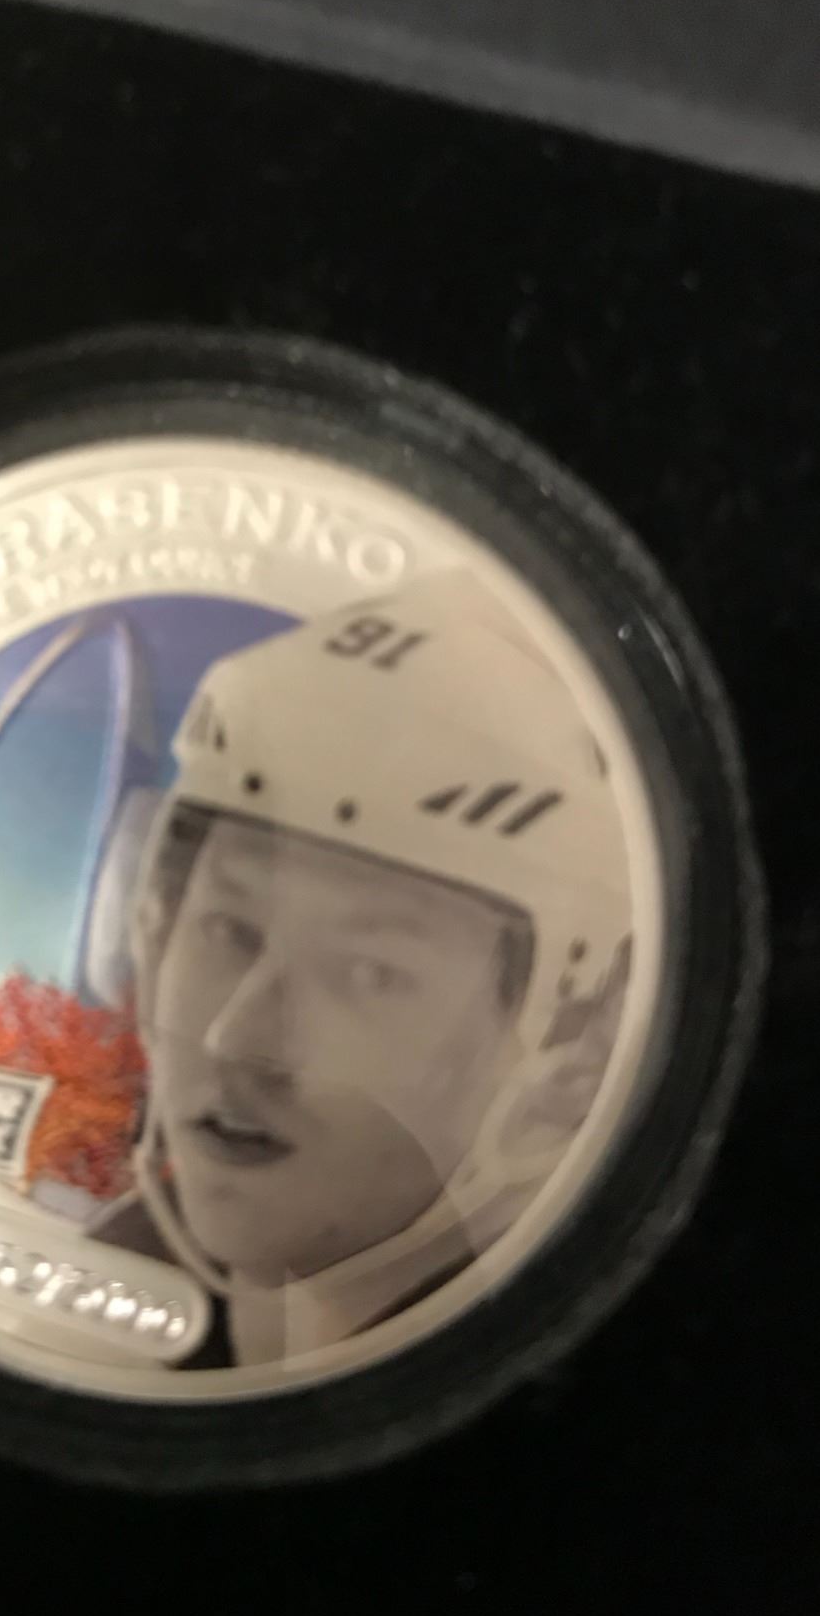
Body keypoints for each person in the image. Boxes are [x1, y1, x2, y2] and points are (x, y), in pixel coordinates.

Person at [91, 566, 632, 1365]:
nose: (236, 1037)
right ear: (152, 927)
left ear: (570, 1054)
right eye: (230, 929)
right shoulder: (95, 1307)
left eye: (369, 972)